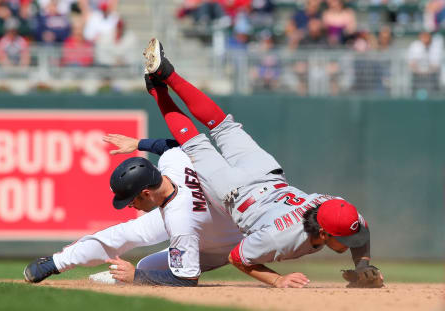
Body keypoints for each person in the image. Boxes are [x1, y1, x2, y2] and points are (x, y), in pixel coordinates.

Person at [139, 38, 384, 288]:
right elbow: (237, 257)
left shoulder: (336, 208)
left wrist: (363, 266)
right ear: (322, 233)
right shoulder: (282, 237)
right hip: (236, 192)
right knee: (194, 143)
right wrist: (277, 279)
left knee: (223, 125)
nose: (351, 240)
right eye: (345, 238)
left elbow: (360, 229)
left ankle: (166, 74)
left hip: (266, 173)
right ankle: (157, 90)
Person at [23, 132, 243, 286]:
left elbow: (186, 280)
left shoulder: (180, 221)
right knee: (127, 236)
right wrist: (139, 143)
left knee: (147, 269)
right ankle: (55, 263)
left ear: (146, 192)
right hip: (204, 219)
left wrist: (136, 277)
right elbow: (170, 146)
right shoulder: (173, 164)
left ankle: (125, 277)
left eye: (131, 200)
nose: (129, 205)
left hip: (224, 246)